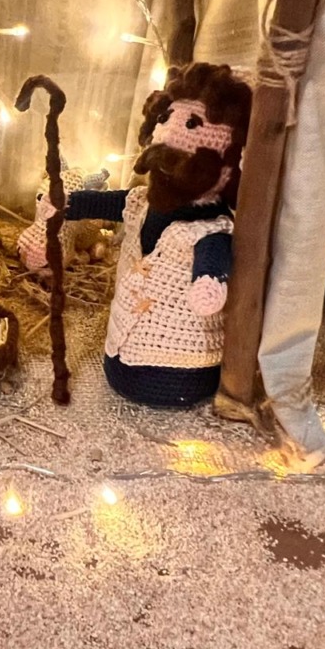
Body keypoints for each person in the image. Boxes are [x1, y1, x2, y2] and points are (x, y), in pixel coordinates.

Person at [62, 63, 251, 408]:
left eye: (192, 124)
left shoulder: (211, 226)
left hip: (181, 364)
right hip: (120, 354)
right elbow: (113, 202)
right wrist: (68, 203)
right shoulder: (142, 203)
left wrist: (209, 280)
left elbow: (214, 252)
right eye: (165, 119)